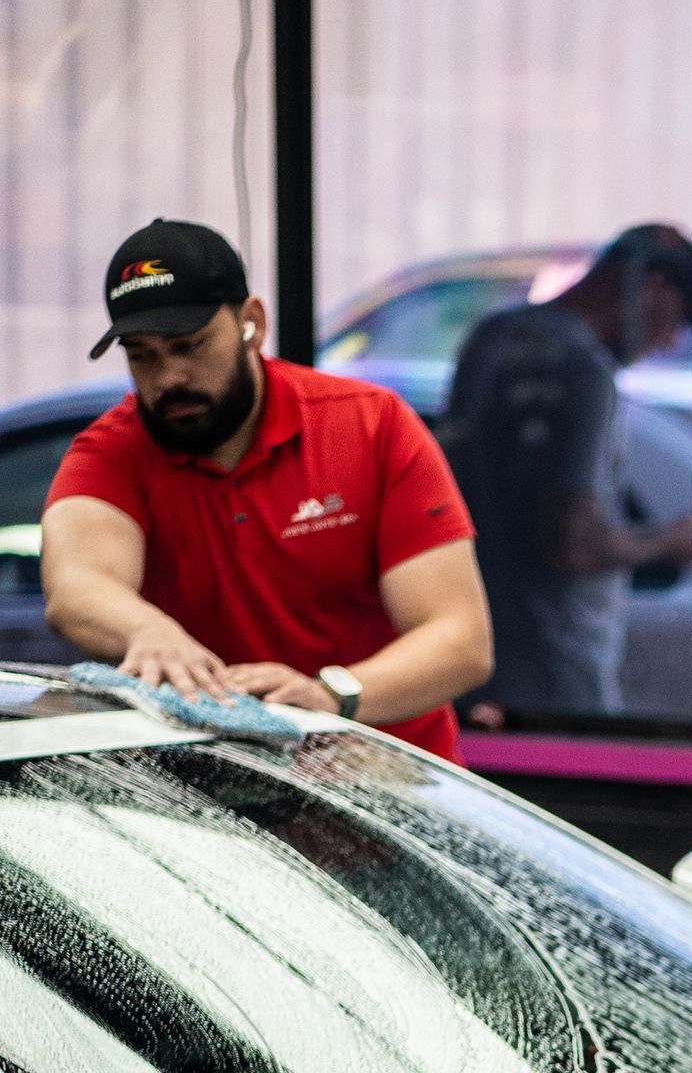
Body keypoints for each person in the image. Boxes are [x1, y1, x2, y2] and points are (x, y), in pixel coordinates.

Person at [42, 218, 491, 761]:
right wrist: (147, 629)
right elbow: (76, 587)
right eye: (142, 355)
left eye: (189, 346)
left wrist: (329, 695)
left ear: (252, 322)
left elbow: (461, 640)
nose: (168, 378)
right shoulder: (112, 451)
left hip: (390, 787)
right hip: (220, 796)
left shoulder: (371, 426)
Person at [445, 223, 692, 719]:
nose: (670, 340)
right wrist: (668, 542)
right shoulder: (584, 370)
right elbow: (572, 543)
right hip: (556, 674)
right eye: (679, 319)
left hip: (473, 659)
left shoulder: (491, 337)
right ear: (656, 286)